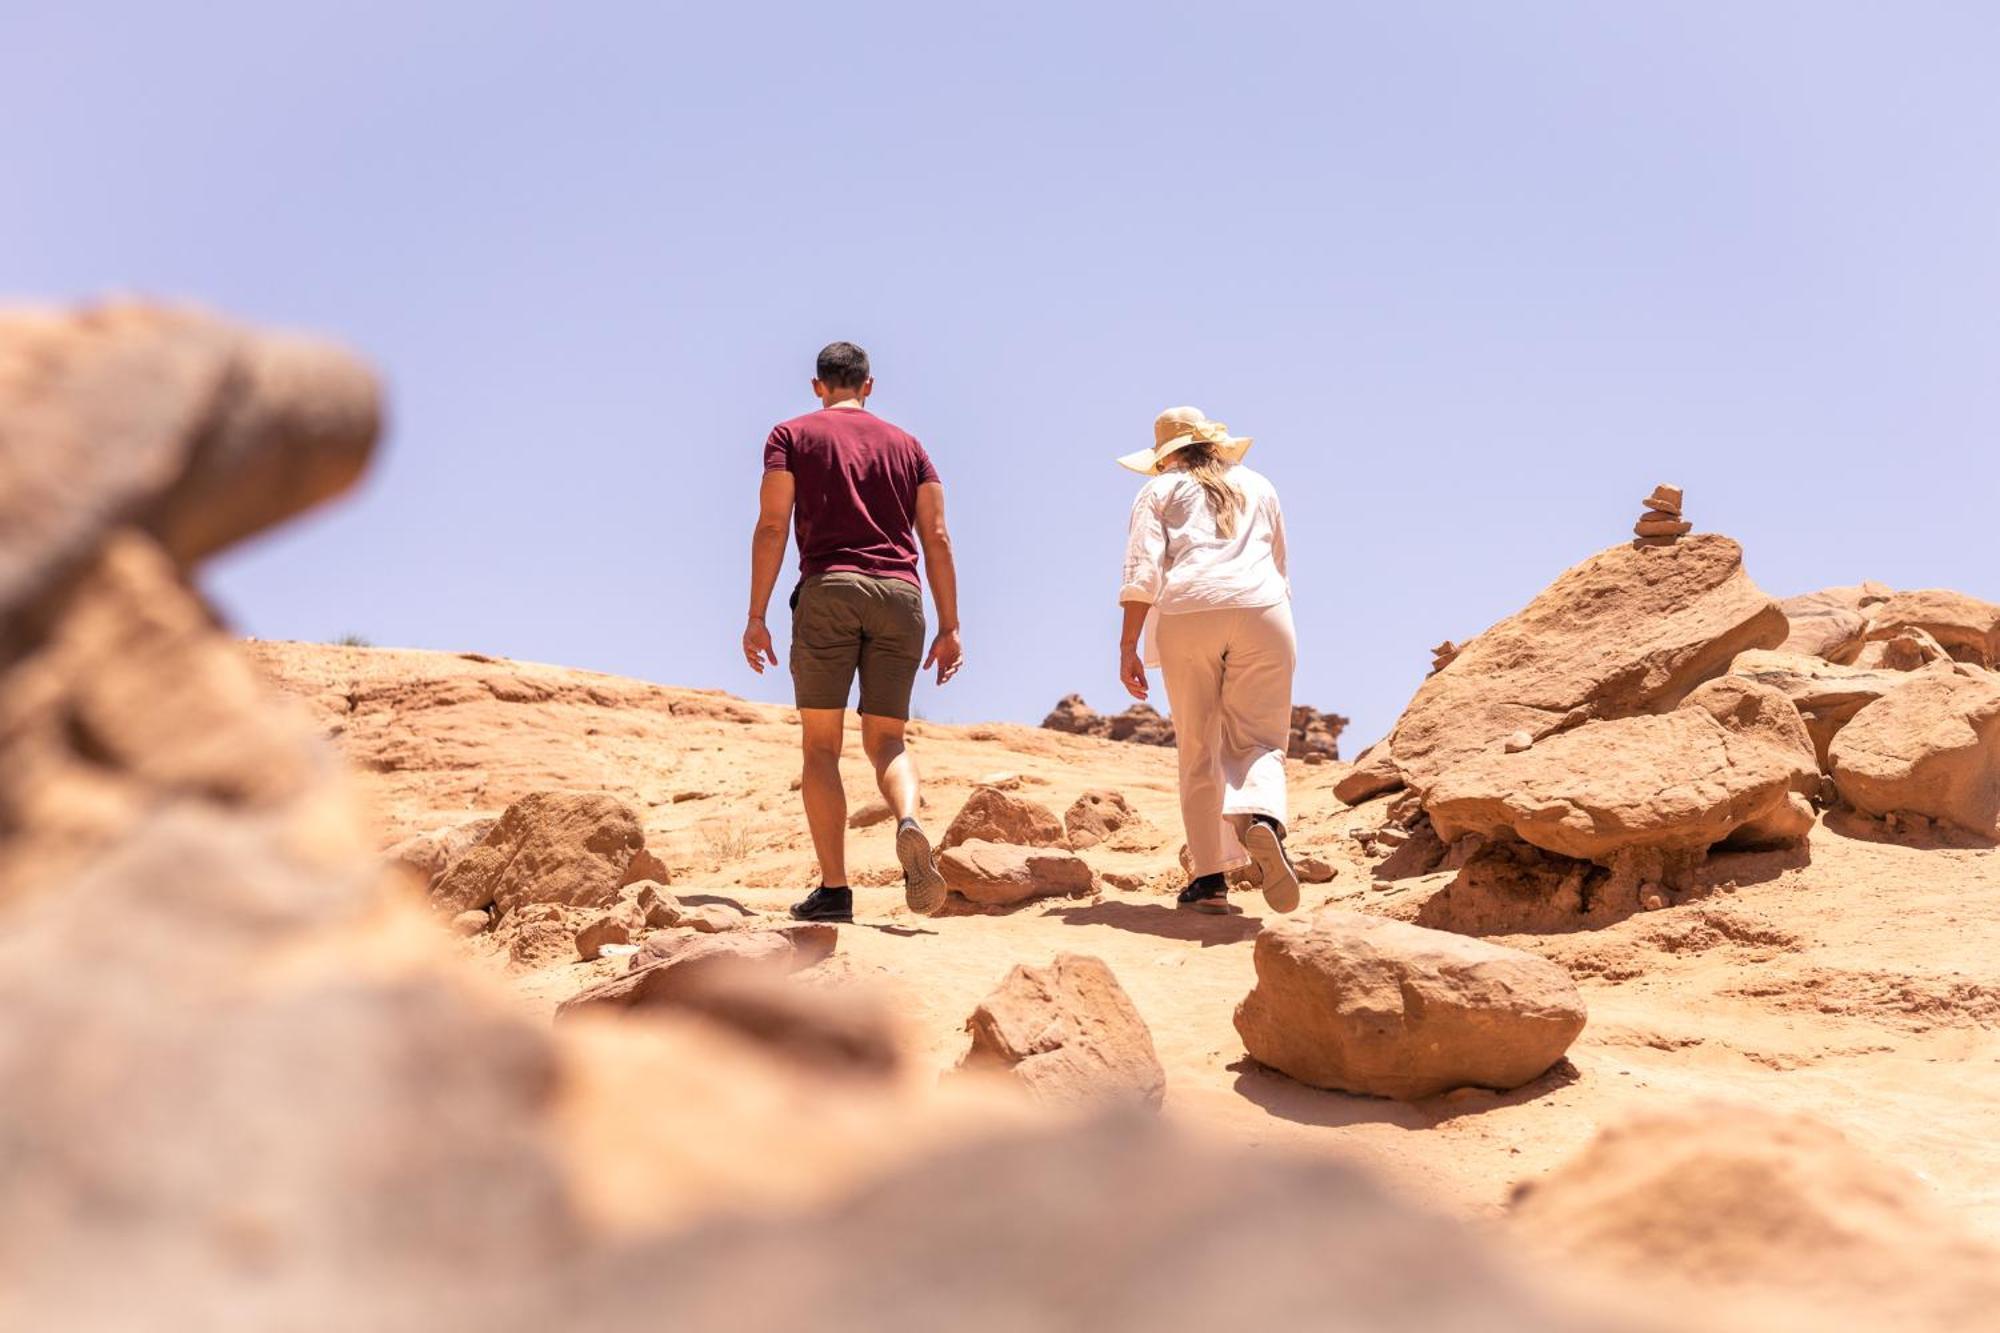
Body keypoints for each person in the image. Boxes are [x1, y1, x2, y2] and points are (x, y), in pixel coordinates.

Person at [744, 341, 962, 923]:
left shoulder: (789, 436)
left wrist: (757, 614)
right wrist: (952, 626)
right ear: (870, 385)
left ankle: (835, 891)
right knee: (887, 741)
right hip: (902, 596)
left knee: (821, 746)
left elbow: (772, 525)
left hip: (830, 590)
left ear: (818, 385)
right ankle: (909, 819)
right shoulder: (910, 447)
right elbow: (936, 536)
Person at [1115, 406, 1300, 915]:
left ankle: (1210, 879)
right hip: (1264, 610)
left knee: (1198, 747)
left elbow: (1142, 571)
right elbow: (1280, 565)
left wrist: (1128, 645)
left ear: (1166, 456)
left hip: (1188, 612)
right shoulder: (1259, 485)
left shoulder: (1158, 491)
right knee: (1259, 739)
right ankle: (1262, 819)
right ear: (1215, 445)